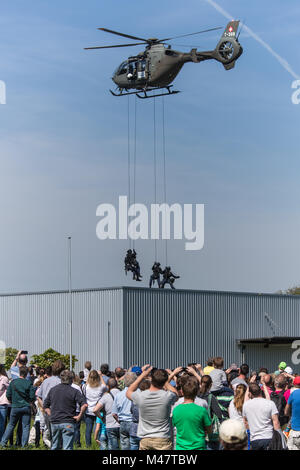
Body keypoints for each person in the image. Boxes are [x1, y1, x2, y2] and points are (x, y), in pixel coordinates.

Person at [126, 365, 179, 450]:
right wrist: (165, 381)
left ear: (151, 379)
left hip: (145, 438)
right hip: (162, 438)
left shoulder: (141, 396)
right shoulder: (167, 396)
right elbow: (175, 393)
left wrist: (142, 375)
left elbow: (129, 391)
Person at [43, 370, 87, 450]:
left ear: (61, 378)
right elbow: (84, 405)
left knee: (55, 446)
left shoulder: (53, 390)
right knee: (67, 447)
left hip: (55, 421)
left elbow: (45, 405)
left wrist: (51, 414)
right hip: (68, 421)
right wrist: (79, 416)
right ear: (71, 379)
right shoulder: (74, 391)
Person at [172, 376, 211, 450]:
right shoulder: (201, 410)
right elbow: (209, 429)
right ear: (196, 392)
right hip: (199, 446)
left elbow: (172, 427)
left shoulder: (176, 409)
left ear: (182, 392)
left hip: (181, 447)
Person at [0, 366, 35, 448]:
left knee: (11, 425)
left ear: (19, 372)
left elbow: (8, 395)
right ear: (26, 374)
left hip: (15, 407)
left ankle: (3, 443)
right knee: (26, 426)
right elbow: (32, 396)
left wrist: (13, 401)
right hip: (26, 406)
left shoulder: (13, 382)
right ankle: (24, 445)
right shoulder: (28, 383)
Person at [242, 382, 281, 450]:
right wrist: (280, 437)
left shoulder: (246, 405)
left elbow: (245, 422)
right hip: (269, 437)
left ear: (250, 393)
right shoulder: (270, 403)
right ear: (260, 391)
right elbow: (276, 422)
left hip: (254, 438)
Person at [37, 359, 65, 446]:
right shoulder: (62, 382)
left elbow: (38, 397)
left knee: (52, 435)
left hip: (48, 412)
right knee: (60, 437)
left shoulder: (45, 381)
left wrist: (45, 408)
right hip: (59, 412)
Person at [93, 377, 121, 450]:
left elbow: (95, 410)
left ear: (108, 386)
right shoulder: (123, 394)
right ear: (117, 385)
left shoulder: (106, 397)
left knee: (112, 447)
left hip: (110, 424)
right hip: (122, 422)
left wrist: (101, 418)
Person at [111, 371, 137, 450]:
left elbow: (114, 413)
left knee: (125, 445)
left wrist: (119, 420)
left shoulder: (118, 395)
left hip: (122, 422)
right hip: (133, 422)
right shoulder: (137, 393)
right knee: (135, 445)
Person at [83, 370, 107, 447]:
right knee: (100, 428)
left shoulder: (86, 387)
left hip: (89, 410)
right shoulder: (101, 387)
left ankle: (88, 445)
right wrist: (100, 376)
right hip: (98, 410)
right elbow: (106, 387)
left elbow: (86, 384)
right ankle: (101, 443)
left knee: (88, 430)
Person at [285, 376, 300, 450]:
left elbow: (286, 411)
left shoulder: (293, 394)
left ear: (294, 384)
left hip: (295, 431)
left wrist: (290, 415)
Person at [0, 365, 10, 442]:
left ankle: (1, 441)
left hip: (2, 403)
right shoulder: (4, 378)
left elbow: (8, 391)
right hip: (2, 403)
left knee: (2, 424)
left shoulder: (4, 379)